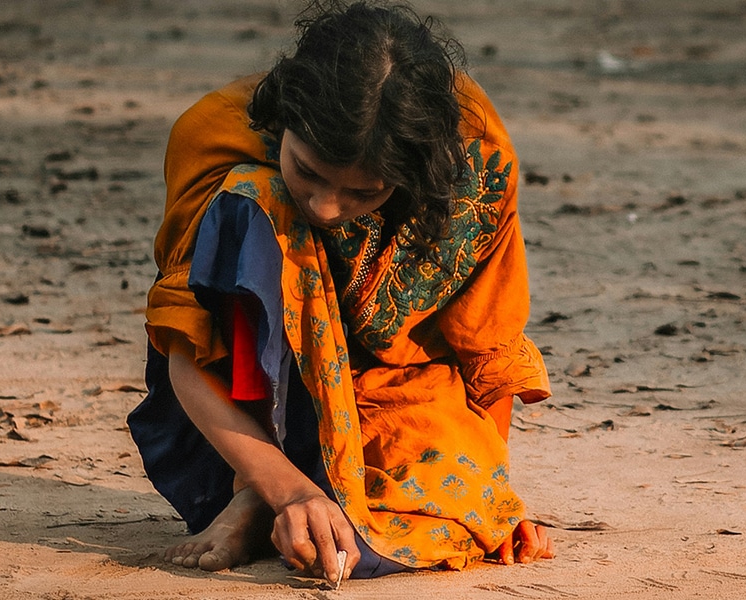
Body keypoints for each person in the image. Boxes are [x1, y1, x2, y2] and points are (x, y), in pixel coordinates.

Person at [128, 0, 554, 584]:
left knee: (377, 541)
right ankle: (256, 492)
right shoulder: (213, 136)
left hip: (393, 407)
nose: (326, 206)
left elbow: (484, 343)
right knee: (251, 198)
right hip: (246, 416)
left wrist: (489, 488)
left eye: (364, 193)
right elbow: (186, 357)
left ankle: (276, 511)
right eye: (308, 170)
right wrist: (289, 491)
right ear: (285, 119)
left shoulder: (474, 162)